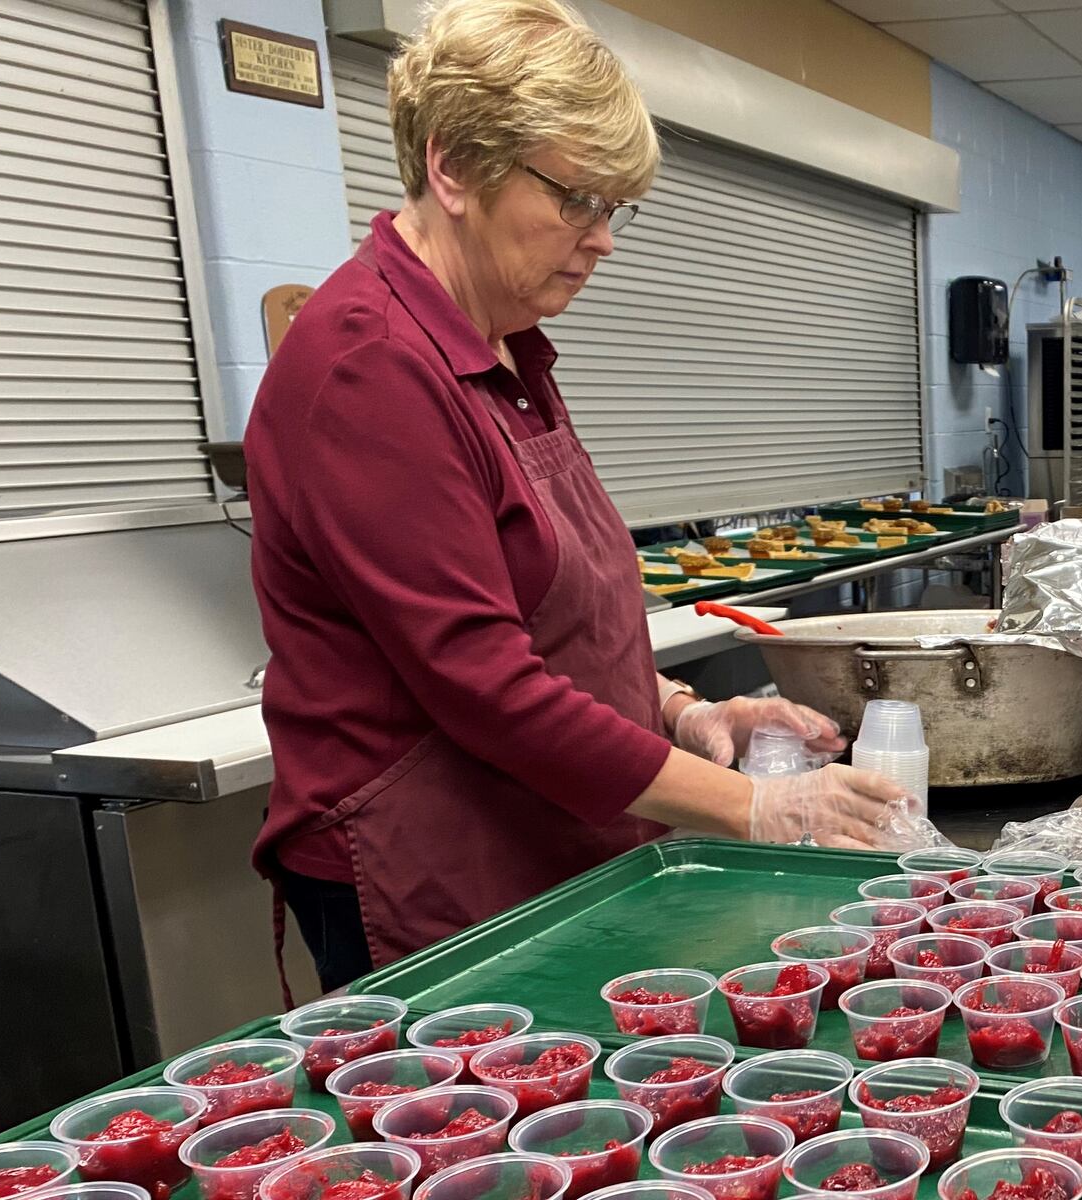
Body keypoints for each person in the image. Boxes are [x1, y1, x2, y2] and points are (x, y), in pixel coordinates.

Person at [243, 0, 909, 992]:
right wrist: (761, 809)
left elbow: (559, 617)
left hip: (548, 837)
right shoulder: (369, 366)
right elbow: (489, 688)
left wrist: (682, 713)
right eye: (576, 200)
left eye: (614, 208)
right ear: (453, 167)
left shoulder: (500, 343)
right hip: (435, 869)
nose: (601, 241)